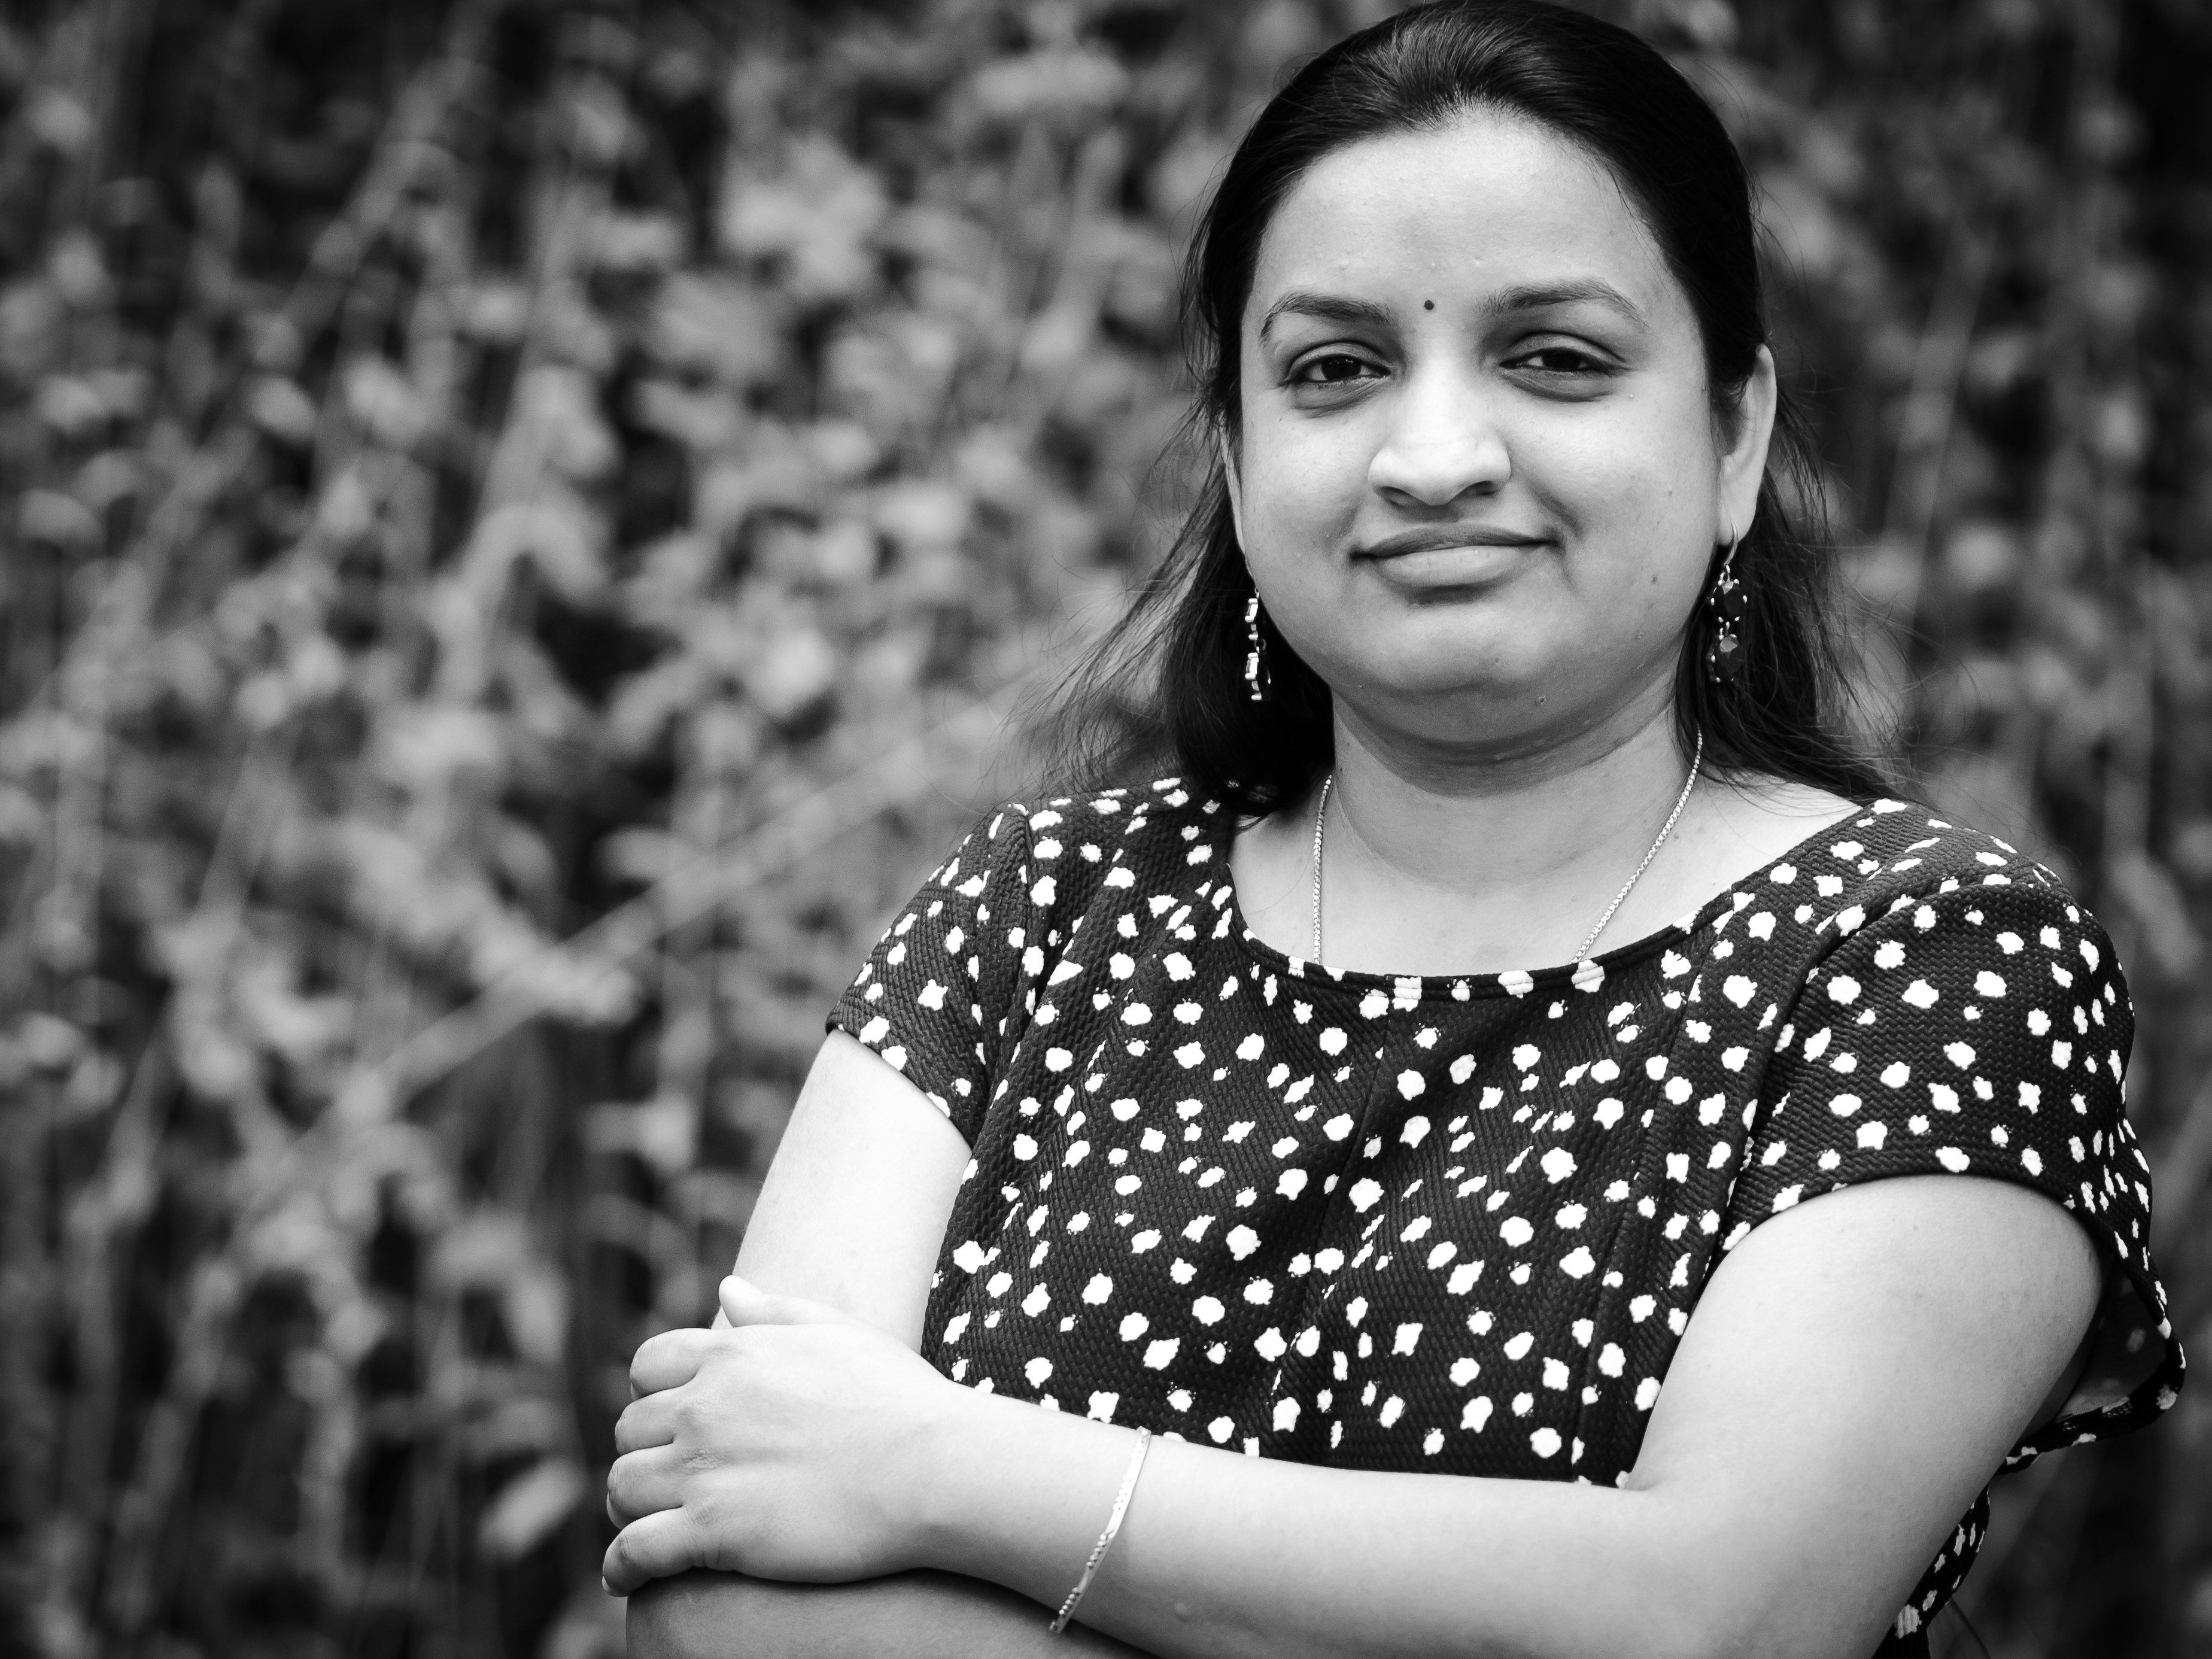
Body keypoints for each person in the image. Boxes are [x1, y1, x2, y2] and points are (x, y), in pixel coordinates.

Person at [603, 4, 2184, 1655]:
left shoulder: (1924, 958)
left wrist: (941, 1471)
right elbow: (721, 1581)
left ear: (1735, 437)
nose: (1434, 455)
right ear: (1235, 450)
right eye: (1336, 368)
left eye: (1554, 356)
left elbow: (1722, 1616)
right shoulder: (1035, 911)